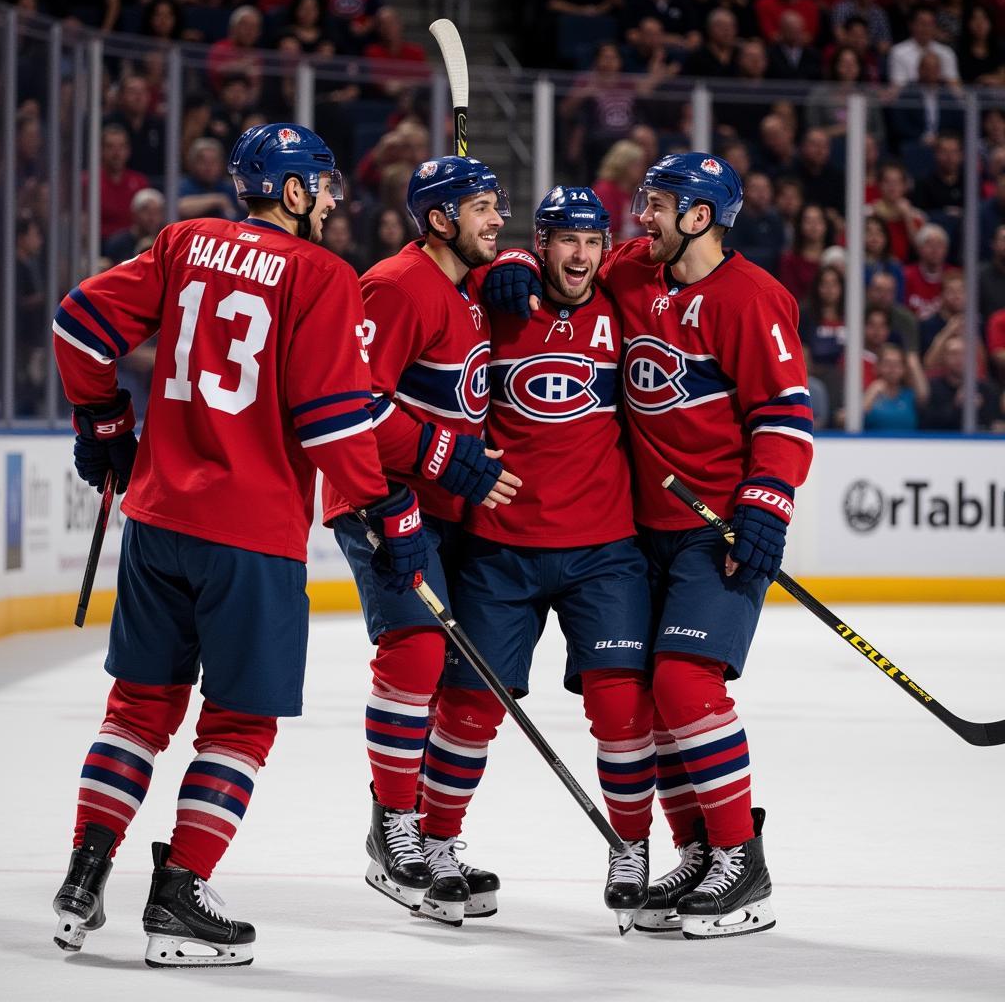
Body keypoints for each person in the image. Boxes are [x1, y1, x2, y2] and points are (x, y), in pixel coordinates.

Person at [50, 122, 428, 968]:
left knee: (139, 710)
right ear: (291, 192)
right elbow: (331, 419)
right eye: (322, 187)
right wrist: (385, 506)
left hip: (155, 519)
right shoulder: (324, 275)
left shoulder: (184, 242)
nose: (333, 201)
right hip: (252, 538)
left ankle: (84, 876)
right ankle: (181, 890)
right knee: (240, 722)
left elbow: (78, 326)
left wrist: (104, 417)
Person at [482, 152, 813, 939]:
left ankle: (743, 862)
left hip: (717, 532)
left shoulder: (752, 298)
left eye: (658, 204)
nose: (641, 217)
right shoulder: (634, 269)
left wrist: (768, 502)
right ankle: (698, 852)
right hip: (641, 535)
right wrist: (517, 261)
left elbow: (786, 414)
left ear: (700, 215)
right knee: (657, 707)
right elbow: (573, 256)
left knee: (688, 687)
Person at [424, 187, 655, 932]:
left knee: (622, 711)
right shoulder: (495, 304)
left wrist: (513, 262)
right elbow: (462, 272)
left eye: (593, 240)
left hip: (604, 551)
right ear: (542, 242)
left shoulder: (622, 301)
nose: (580, 255)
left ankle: (632, 848)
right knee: (469, 709)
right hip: (502, 547)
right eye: (562, 241)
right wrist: (504, 267)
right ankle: (438, 844)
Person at [321, 156, 522, 921]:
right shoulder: (396, 286)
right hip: (377, 496)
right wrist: (443, 459)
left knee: (457, 671)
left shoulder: (464, 285)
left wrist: (512, 262)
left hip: (438, 505)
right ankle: (393, 832)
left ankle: (432, 836)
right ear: (440, 221)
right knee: (415, 650)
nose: (496, 219)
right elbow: (353, 402)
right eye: (481, 208)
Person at [863, 342, 929, 431]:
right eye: (887, 363)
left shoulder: (909, 395)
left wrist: (914, 364)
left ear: (904, 369)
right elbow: (844, 420)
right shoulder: (868, 392)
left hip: (907, 443)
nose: (892, 368)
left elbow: (924, 395)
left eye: (897, 364)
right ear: (878, 366)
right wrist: (870, 396)